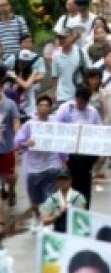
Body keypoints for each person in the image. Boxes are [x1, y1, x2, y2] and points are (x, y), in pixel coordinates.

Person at [14, 94, 64, 230]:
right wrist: (26, 143)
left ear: (50, 107)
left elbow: (62, 142)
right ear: (37, 107)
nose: (43, 108)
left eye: (46, 106)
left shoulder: (55, 124)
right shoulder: (30, 125)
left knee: (50, 196)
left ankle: (47, 221)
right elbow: (17, 141)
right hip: (34, 168)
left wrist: (64, 159)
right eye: (40, 105)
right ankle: (36, 216)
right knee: (35, 198)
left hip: (51, 165)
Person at [39, 168, 86, 232]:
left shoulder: (78, 197)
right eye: (60, 179)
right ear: (56, 182)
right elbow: (45, 221)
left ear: (70, 181)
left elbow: (82, 218)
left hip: (74, 231)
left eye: (65, 179)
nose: (62, 182)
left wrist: (72, 212)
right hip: (57, 231)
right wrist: (58, 214)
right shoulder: (52, 199)